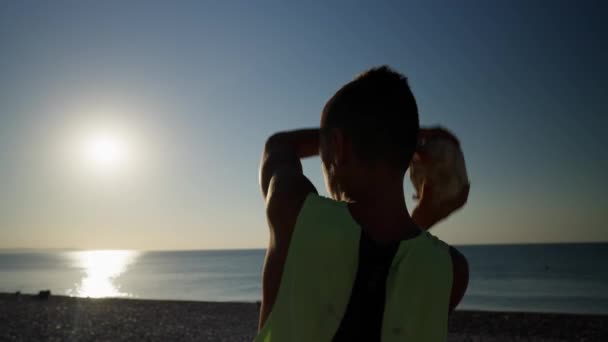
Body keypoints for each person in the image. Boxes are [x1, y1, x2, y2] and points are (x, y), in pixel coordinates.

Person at [255, 66, 469, 341]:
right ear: (404, 152)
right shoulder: (451, 271)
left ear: (337, 146)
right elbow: (386, 275)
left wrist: (408, 135)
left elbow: (279, 144)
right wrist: (403, 137)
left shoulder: (296, 214)